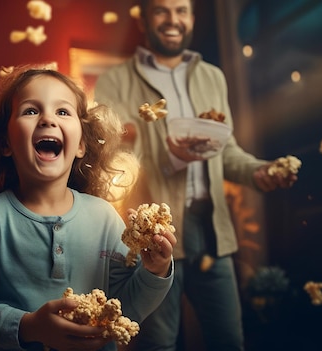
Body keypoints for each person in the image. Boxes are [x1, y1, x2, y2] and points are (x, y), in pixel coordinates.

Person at [93, 0, 299, 350]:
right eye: (161, 10)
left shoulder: (212, 77)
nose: (173, 19)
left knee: (229, 341)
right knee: (157, 344)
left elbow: (226, 151)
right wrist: (169, 158)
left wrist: (258, 171)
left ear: (190, 17)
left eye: (182, 10)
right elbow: (114, 160)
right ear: (143, 18)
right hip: (154, 240)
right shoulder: (114, 82)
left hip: (212, 229)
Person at [0, 63, 176, 351]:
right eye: (30, 110)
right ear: (5, 143)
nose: (47, 119)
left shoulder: (105, 218)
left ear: (81, 145)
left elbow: (126, 308)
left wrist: (155, 271)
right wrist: (29, 326)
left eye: (62, 111)